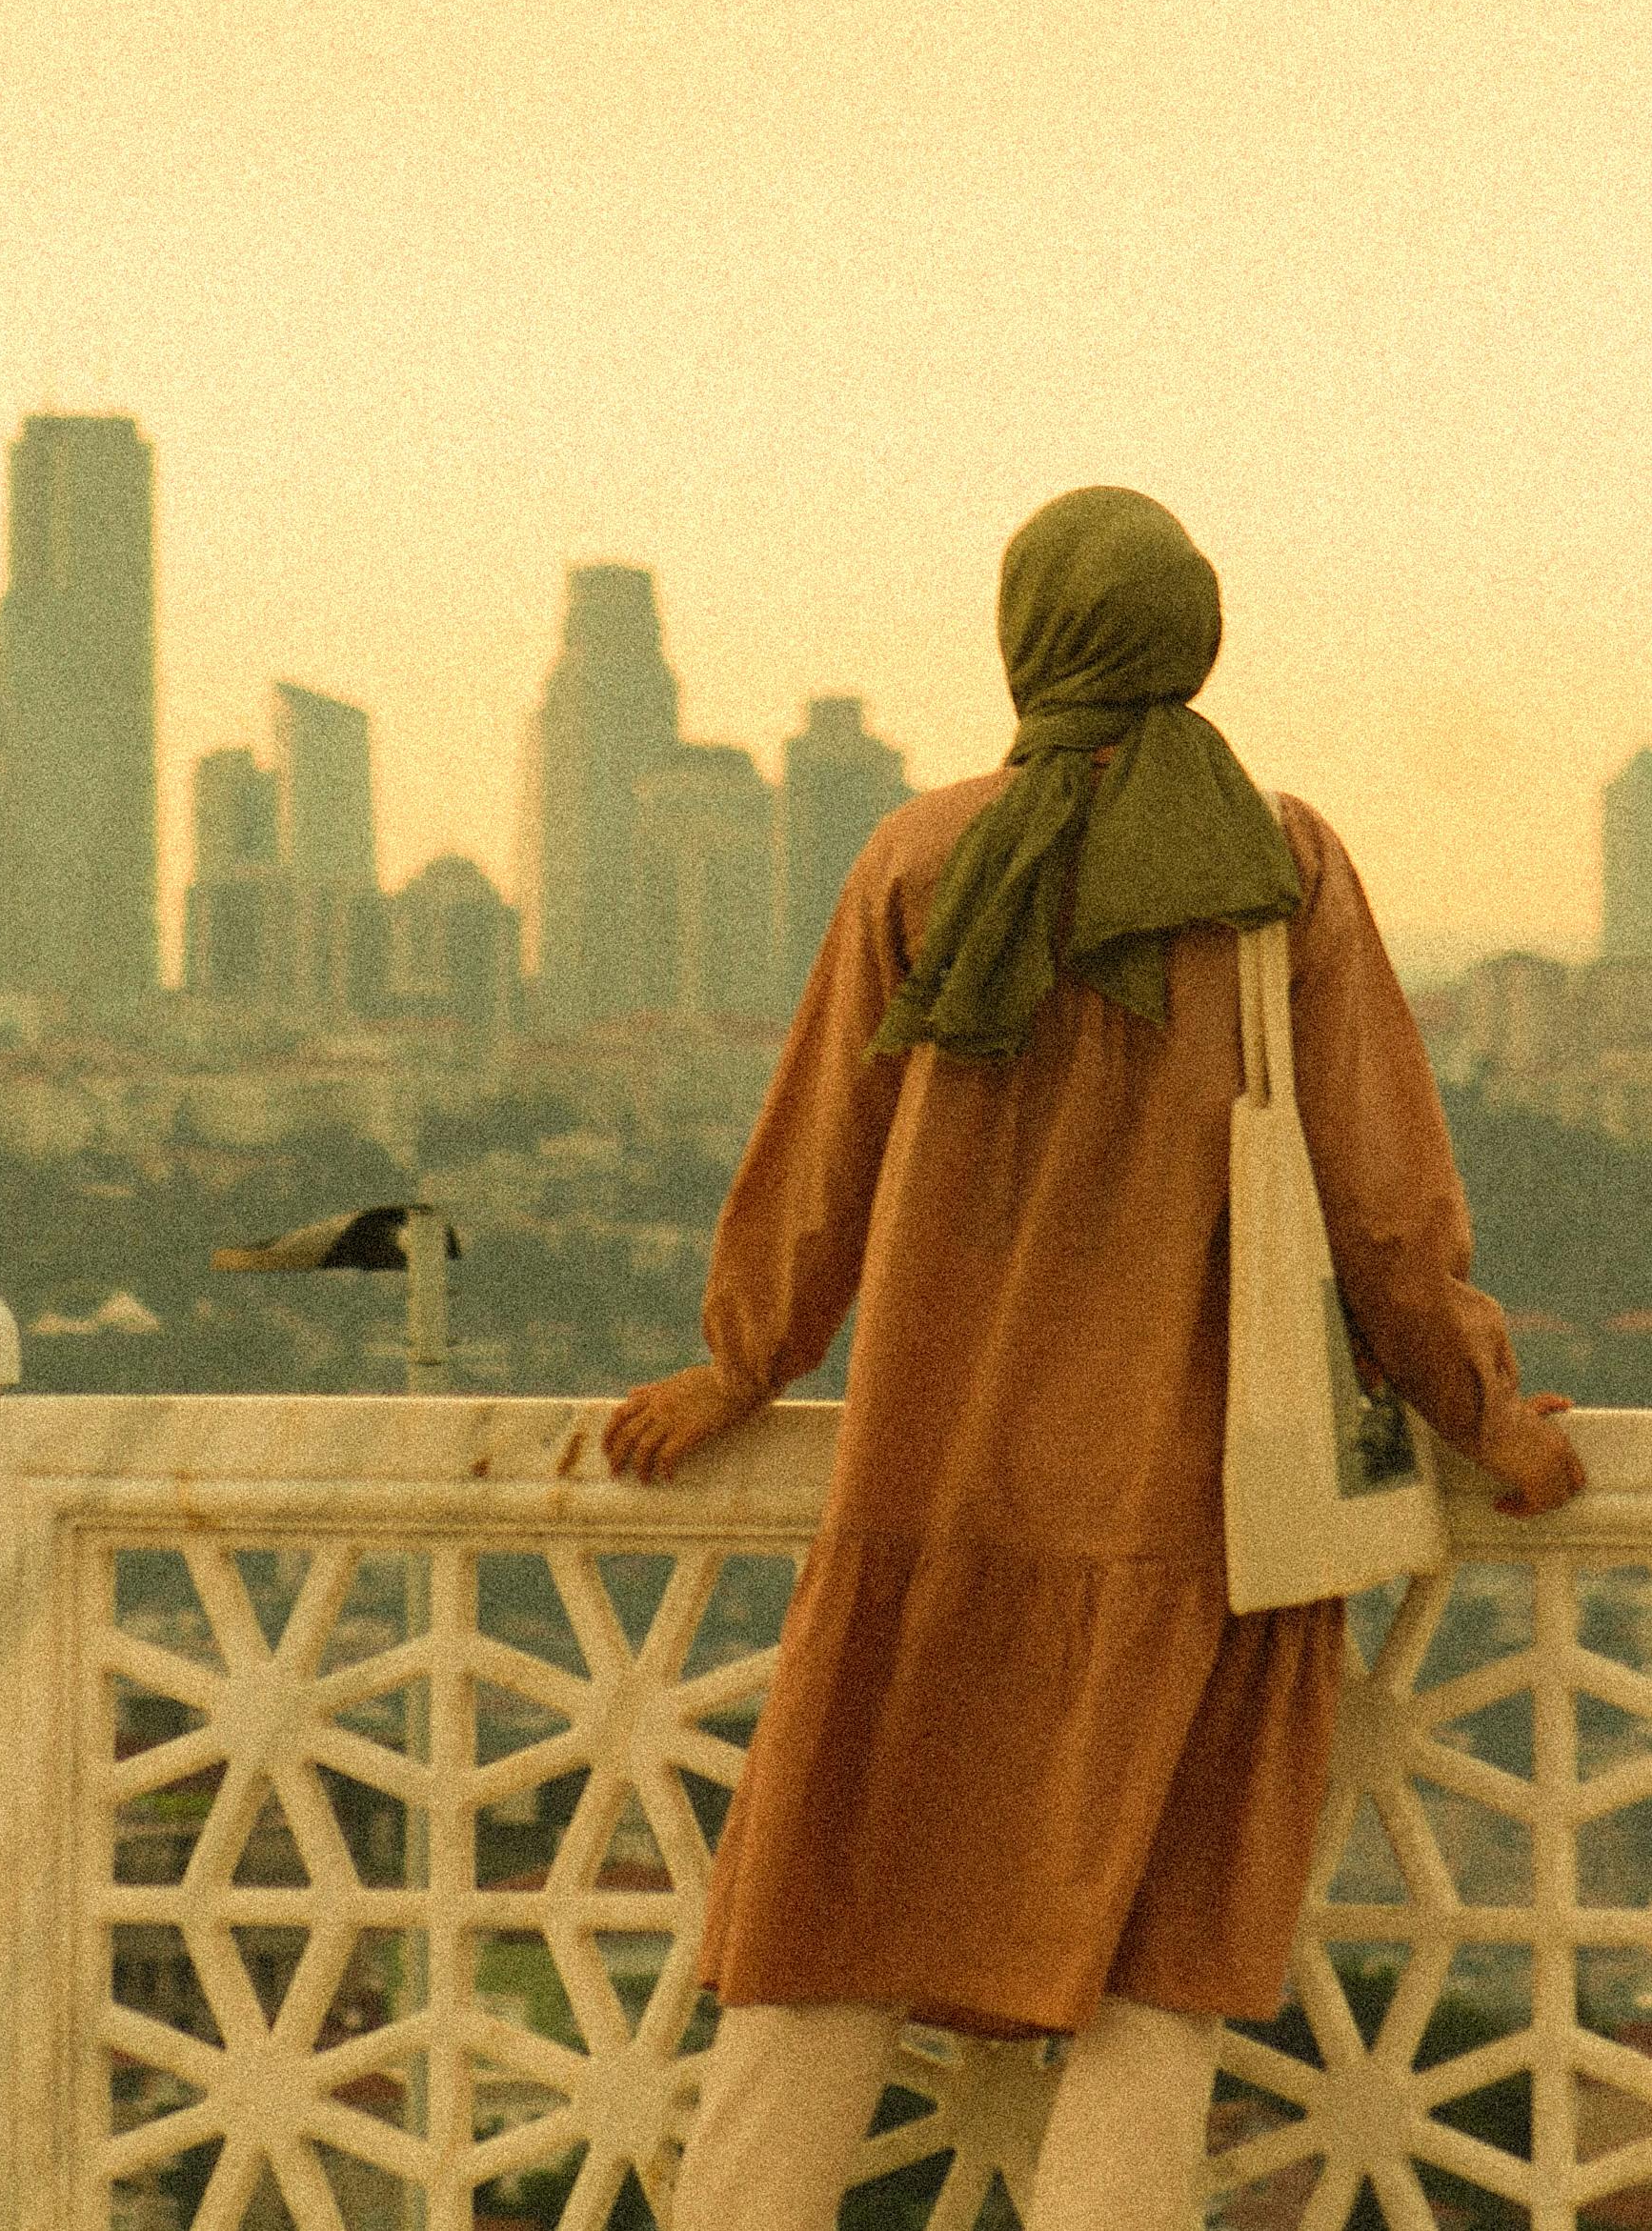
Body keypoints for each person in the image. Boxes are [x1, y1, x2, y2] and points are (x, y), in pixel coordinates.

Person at [602, 485, 1584, 2231]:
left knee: (818, 1937)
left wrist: (738, 1370)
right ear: (1192, 632)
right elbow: (1378, 1205)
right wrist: (1485, 1414)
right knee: (1152, 2000)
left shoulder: (919, 860)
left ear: (1028, 634)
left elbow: (820, 1162)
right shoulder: (1280, 871)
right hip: (1206, 1524)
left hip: (941, 1499)